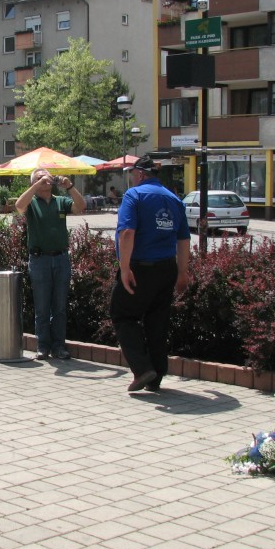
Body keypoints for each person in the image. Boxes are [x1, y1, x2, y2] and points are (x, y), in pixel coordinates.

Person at [111, 155, 190, 392]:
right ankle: (156, 376)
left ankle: (142, 369)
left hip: (140, 267)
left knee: (122, 314)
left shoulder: (134, 195)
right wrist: (182, 273)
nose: (131, 177)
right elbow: (184, 239)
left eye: (132, 173)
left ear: (141, 174)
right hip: (167, 268)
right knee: (157, 321)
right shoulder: (175, 199)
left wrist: (125, 269)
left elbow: (127, 233)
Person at [15, 168, 86, 360]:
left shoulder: (60, 201)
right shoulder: (32, 203)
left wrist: (69, 186)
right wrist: (37, 184)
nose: (45, 179)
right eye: (39, 178)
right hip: (39, 260)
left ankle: (59, 346)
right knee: (42, 306)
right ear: (33, 183)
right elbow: (19, 205)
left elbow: (80, 206)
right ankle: (43, 346)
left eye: (46, 177)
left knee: (60, 306)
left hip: (61, 259)